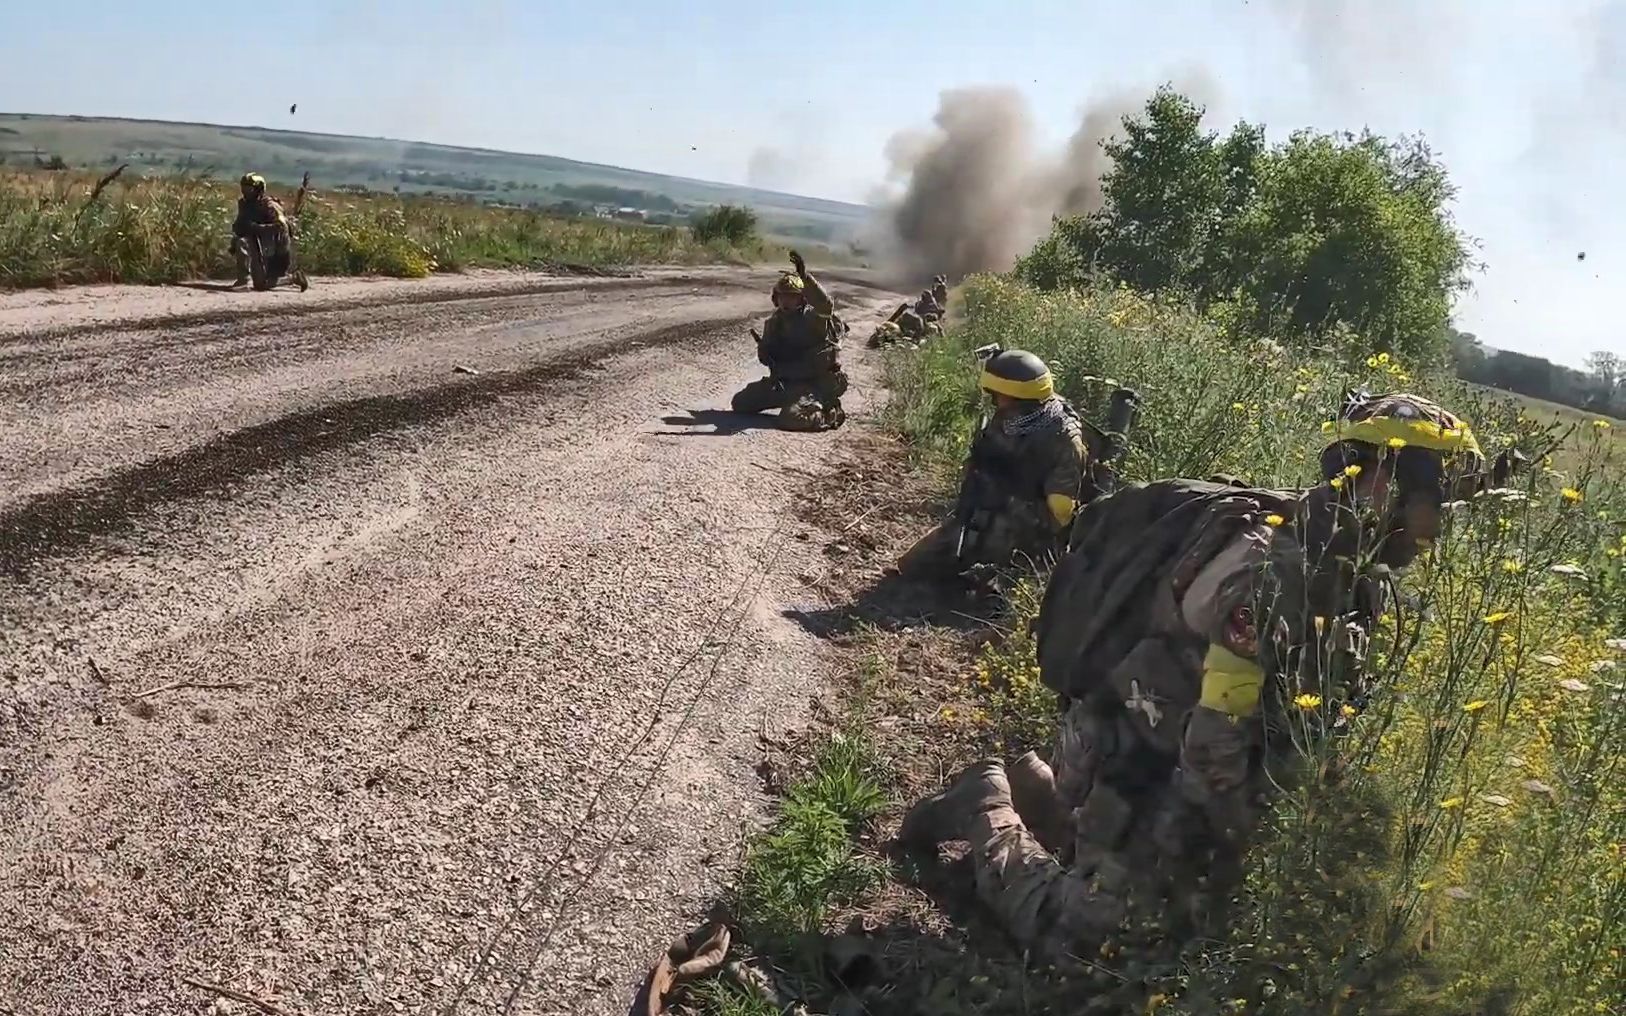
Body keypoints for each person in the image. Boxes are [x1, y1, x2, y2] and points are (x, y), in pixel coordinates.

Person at [899, 391, 1484, 959]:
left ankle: (1047, 802)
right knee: (1083, 943)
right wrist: (1216, 858)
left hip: (1157, 758)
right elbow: (1213, 748)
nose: (1441, 526)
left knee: (1170, 912)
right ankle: (987, 804)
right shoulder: (1276, 571)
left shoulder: (1347, 566)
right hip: (1134, 760)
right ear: (1382, 481)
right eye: (1439, 501)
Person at [902, 349, 1089, 576]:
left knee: (982, 583)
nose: (994, 400)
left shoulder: (1062, 439)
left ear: (1021, 400)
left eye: (1000, 396)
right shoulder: (1013, 418)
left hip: (1028, 531)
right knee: (912, 566)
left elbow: (1059, 517)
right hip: (986, 511)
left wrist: (1007, 500)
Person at [731, 251, 848, 432]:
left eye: (792, 296)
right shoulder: (774, 323)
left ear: (801, 299)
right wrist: (765, 353)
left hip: (815, 384)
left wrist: (804, 277)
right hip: (786, 382)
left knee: (791, 419)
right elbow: (768, 356)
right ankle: (795, 402)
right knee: (740, 403)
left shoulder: (812, 318)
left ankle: (830, 411)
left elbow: (825, 306)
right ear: (775, 298)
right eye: (782, 296)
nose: (786, 300)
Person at [232, 172, 300, 289]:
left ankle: (293, 278)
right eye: (244, 188)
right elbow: (240, 224)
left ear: (258, 189)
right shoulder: (244, 204)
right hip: (255, 240)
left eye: (249, 189)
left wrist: (257, 228)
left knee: (261, 284)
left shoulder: (269, 205)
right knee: (241, 242)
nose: (245, 192)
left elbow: (281, 227)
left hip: (272, 244)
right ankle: (243, 280)